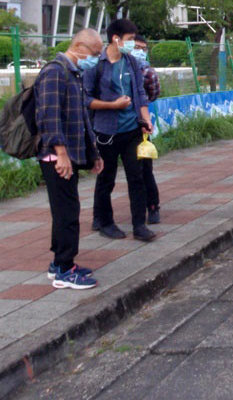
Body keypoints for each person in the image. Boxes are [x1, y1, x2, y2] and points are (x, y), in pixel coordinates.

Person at [35, 29, 105, 289]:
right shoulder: (55, 72)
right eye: (95, 53)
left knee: (65, 210)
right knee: (68, 212)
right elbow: (49, 118)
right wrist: (62, 155)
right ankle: (65, 268)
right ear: (79, 46)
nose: (96, 59)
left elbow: (82, 117)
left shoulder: (74, 73)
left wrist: (93, 153)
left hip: (70, 154)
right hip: (57, 156)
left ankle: (58, 264)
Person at [84, 18, 155, 242]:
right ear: (116, 39)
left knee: (137, 177)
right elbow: (85, 99)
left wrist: (146, 119)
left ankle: (139, 225)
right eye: (130, 39)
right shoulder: (96, 65)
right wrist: (112, 106)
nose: (133, 44)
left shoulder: (132, 63)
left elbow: (141, 95)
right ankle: (105, 221)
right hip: (106, 131)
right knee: (107, 178)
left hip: (132, 129)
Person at [132, 35, 161, 224]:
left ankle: (152, 207)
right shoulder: (111, 68)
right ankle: (100, 216)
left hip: (140, 126)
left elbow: (152, 96)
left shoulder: (147, 73)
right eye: (136, 47)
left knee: (145, 169)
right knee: (106, 174)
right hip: (113, 128)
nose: (140, 52)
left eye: (143, 48)